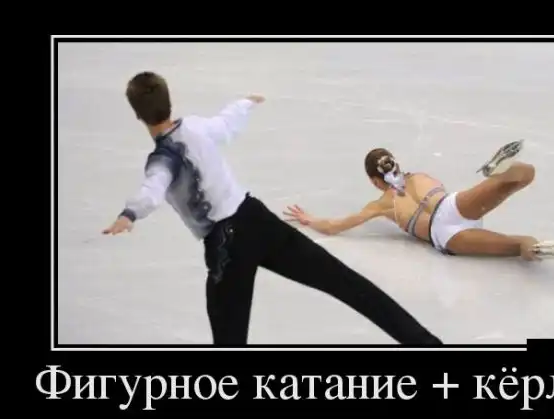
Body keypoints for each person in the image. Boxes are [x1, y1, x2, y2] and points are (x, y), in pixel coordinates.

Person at [101, 71, 442, 346]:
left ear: (137, 114)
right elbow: (224, 124)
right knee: (346, 283)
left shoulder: (162, 158)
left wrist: (129, 214)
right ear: (168, 101)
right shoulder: (194, 127)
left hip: (226, 246)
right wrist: (243, 104)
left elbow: (152, 189)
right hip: (257, 220)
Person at [284, 141, 554, 261]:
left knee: (517, 244)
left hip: (446, 231)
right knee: (525, 175)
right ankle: (497, 172)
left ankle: (536, 247)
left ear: (373, 180)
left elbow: (336, 226)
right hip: (453, 210)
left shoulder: (383, 204)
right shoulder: (418, 179)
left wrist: (311, 220)